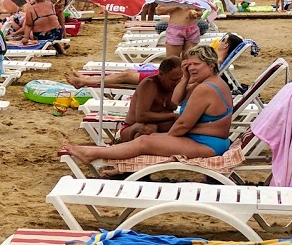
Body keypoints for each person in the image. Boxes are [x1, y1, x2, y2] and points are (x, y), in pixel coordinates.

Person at [62, 45, 235, 166]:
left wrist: (168, 137)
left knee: (145, 141)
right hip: (211, 141)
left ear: (211, 65)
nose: (192, 69)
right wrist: (185, 76)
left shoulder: (205, 88)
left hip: (207, 145)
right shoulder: (211, 82)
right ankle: (105, 158)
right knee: (149, 139)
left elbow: (183, 124)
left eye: (197, 64)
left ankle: (91, 153)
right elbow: (176, 101)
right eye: (188, 65)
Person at [117, 57, 186, 140]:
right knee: (148, 129)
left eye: (180, 79)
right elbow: (141, 116)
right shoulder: (149, 85)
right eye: (173, 80)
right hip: (133, 128)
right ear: (161, 74)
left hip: (159, 127)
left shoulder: (177, 86)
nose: (177, 83)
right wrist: (172, 116)